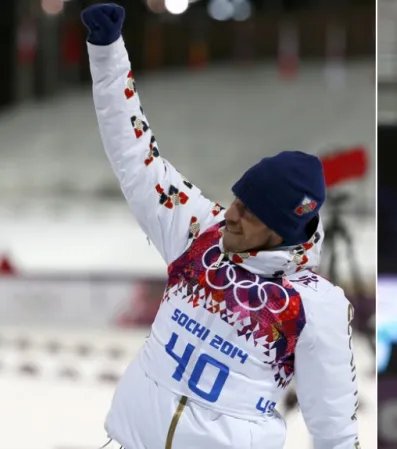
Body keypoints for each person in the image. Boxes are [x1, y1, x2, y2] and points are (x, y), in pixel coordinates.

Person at [81, 4, 360, 449]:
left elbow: (336, 431)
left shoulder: (314, 305)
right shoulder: (199, 230)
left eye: (250, 213)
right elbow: (137, 157)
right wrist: (108, 53)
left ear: (282, 231)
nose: (231, 214)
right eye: (238, 199)